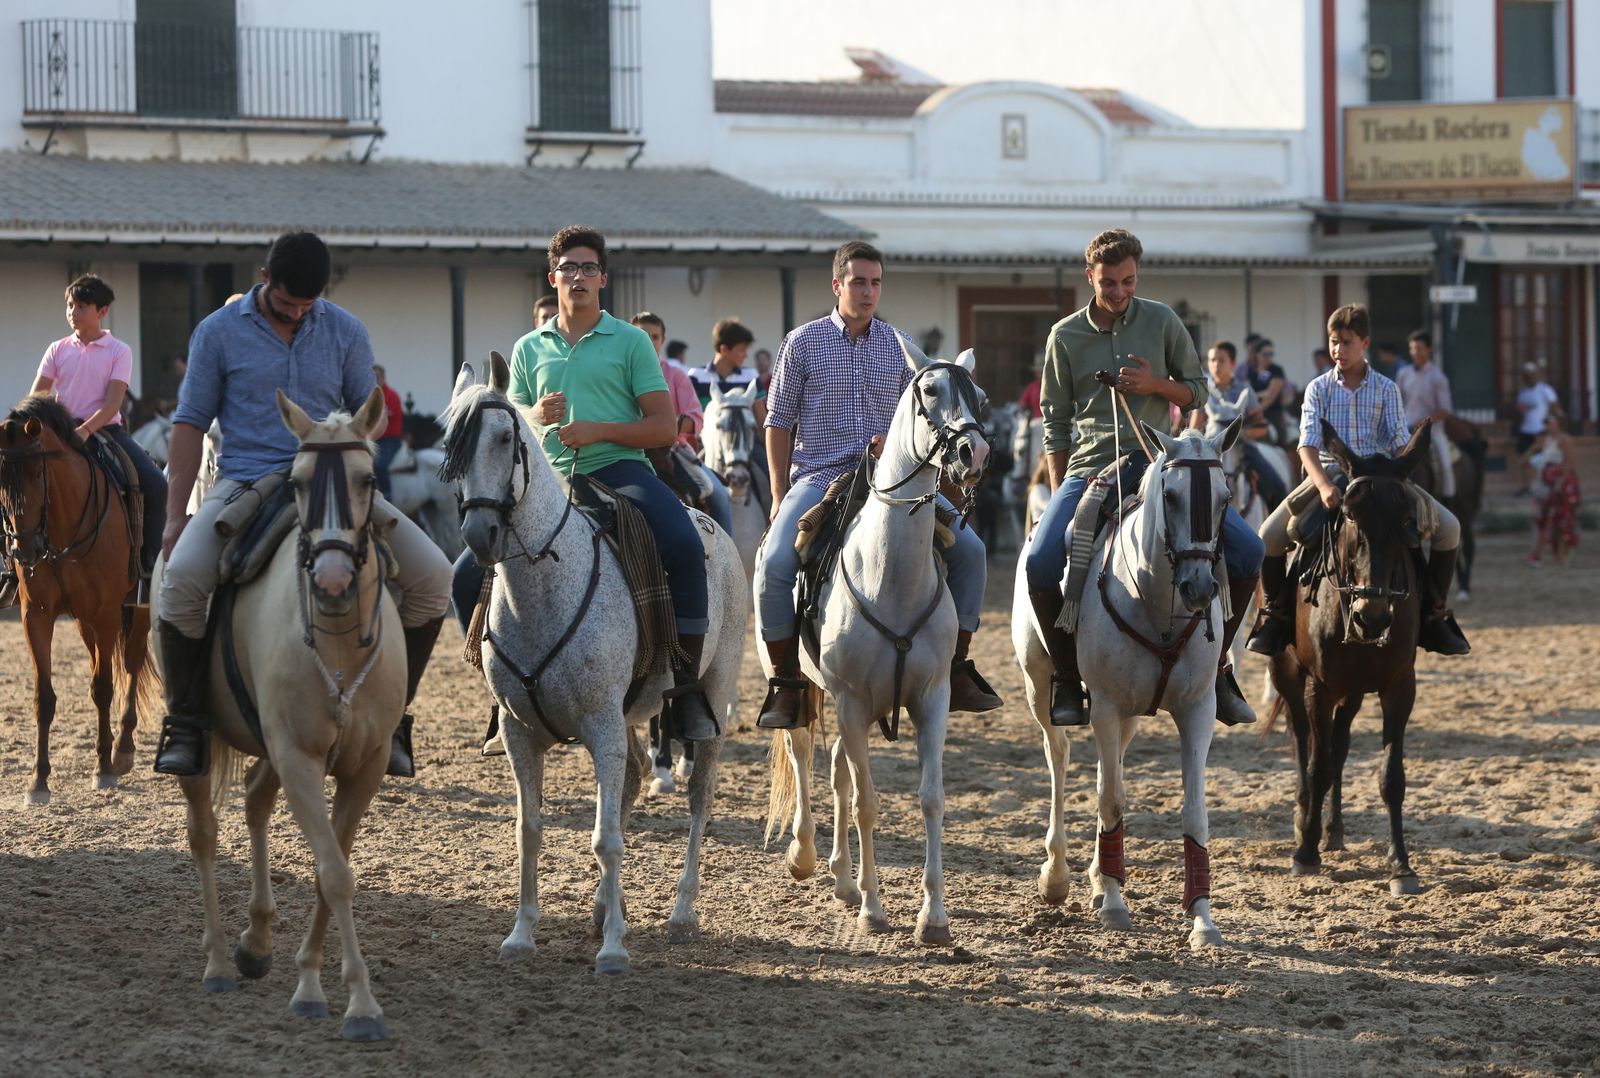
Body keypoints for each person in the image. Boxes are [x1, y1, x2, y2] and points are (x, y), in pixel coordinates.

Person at [152, 231, 452, 778]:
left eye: (306, 306)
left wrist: (358, 446)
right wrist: (176, 517)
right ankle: (187, 721)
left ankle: (395, 717)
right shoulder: (217, 333)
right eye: (288, 303)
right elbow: (190, 424)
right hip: (247, 478)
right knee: (183, 580)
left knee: (434, 575)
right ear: (265, 279)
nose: (296, 314)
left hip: (331, 478)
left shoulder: (345, 330)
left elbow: (369, 417)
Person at [451, 225, 722, 742]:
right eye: (569, 268)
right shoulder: (528, 347)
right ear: (553, 278)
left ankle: (686, 692)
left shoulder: (632, 341)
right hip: (544, 481)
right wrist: (533, 413)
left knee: (685, 547)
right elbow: (513, 428)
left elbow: (664, 427)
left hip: (621, 470)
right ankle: (500, 691)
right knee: (465, 573)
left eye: (588, 268)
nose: (578, 276)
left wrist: (598, 430)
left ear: (603, 279)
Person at [754, 239, 1002, 728]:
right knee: (775, 566)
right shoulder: (802, 342)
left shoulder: (900, 345)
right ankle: (786, 685)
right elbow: (777, 422)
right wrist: (780, 494)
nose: (869, 292)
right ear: (837, 285)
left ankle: (957, 667)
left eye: (875, 283)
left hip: (893, 481)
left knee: (971, 553)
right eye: (859, 282)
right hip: (821, 476)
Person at [1026, 230, 1263, 728]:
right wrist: (1058, 486)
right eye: (1108, 282)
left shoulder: (1163, 320)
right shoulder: (1063, 336)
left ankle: (1218, 669)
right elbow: (1055, 421)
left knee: (1249, 551)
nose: (1119, 291)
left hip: (1163, 465)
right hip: (1089, 467)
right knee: (1041, 560)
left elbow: (1197, 392)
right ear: (1089, 276)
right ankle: (1069, 677)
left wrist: (1156, 384)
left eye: (1128, 281)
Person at [1248, 303, 1469, 658]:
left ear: (1364, 343)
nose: (1338, 350)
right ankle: (1274, 617)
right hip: (1329, 474)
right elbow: (1306, 446)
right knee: (1269, 537)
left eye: (1346, 342)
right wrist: (1322, 486)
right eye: (1333, 342)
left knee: (1450, 528)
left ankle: (1436, 616)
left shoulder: (1386, 388)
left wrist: (1400, 473)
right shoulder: (1318, 388)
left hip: (1379, 478)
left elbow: (1398, 441)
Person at [1, 274, 169, 608]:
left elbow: (112, 404)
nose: (72, 312)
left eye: (81, 306)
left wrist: (85, 431)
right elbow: (38, 395)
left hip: (107, 432)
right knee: (13, 480)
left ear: (102, 310)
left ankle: (148, 571)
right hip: (61, 434)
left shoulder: (119, 351)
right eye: (69, 306)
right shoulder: (57, 349)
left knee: (156, 484)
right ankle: (9, 568)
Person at [631, 310, 734, 534]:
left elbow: (696, 416)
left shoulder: (676, 375)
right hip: (628, 448)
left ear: (663, 341)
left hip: (674, 449)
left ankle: (728, 557)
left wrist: (666, 427)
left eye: (655, 336)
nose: (649, 341)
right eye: (642, 335)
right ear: (631, 337)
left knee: (720, 496)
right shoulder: (620, 372)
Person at [1187, 340, 1288, 509]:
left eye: (1221, 360)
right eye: (1212, 360)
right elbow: (1195, 427)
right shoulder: (1203, 391)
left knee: (1277, 487)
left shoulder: (1245, 390)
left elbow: (1262, 427)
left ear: (1233, 363)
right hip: (1210, 449)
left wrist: (1243, 435)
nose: (1216, 365)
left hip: (1244, 449)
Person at [1395, 330, 1456, 503]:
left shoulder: (1438, 377)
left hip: (1432, 432)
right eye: (1412, 348)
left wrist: (1424, 423)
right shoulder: (1403, 374)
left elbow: (1445, 410)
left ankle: (1448, 498)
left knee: (1445, 465)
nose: (1415, 352)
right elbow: (1397, 401)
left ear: (1429, 350)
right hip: (1405, 430)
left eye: (1419, 348)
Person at [1528, 409, 1579, 567]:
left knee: (1561, 519)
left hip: (1562, 485)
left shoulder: (1565, 440)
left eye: (1550, 422)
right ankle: (1553, 554)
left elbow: (1569, 462)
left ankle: (1560, 556)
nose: (1547, 426)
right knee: (1548, 519)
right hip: (1548, 484)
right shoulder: (1547, 440)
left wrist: (1560, 482)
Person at [1515, 362, 1560, 495]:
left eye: (1532, 374)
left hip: (1540, 432)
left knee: (1541, 459)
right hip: (1526, 431)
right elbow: (1520, 410)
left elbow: (1555, 407)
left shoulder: (1545, 390)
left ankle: (1544, 485)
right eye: (1527, 375)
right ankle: (1527, 487)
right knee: (1526, 460)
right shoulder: (1522, 392)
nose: (1530, 377)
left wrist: (1551, 426)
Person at [372, 364, 405, 500]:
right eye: (372, 377)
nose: (375, 380)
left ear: (383, 378)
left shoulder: (391, 395)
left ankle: (386, 495)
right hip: (375, 439)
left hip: (389, 440)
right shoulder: (370, 395)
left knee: (379, 464)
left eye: (377, 377)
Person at [1246, 337, 1288, 444]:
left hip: (1273, 414)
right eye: (1265, 354)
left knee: (1282, 441)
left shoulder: (1276, 370)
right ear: (1257, 355)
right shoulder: (1251, 372)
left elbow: (1271, 395)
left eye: (1271, 354)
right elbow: (1246, 393)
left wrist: (1257, 409)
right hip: (1253, 414)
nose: (1268, 357)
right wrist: (1260, 395)